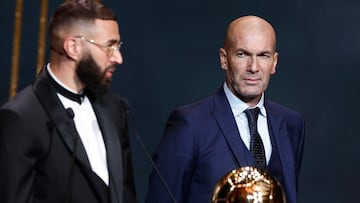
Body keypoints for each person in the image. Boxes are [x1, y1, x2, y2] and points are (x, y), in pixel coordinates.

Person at [146, 15, 305, 203]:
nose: (253, 67)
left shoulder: (291, 124)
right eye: (242, 54)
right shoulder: (189, 124)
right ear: (224, 59)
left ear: (274, 62)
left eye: (263, 55)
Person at [0, 0, 136, 202]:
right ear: (73, 47)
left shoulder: (114, 108)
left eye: (118, 46)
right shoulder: (20, 118)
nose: (118, 58)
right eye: (110, 46)